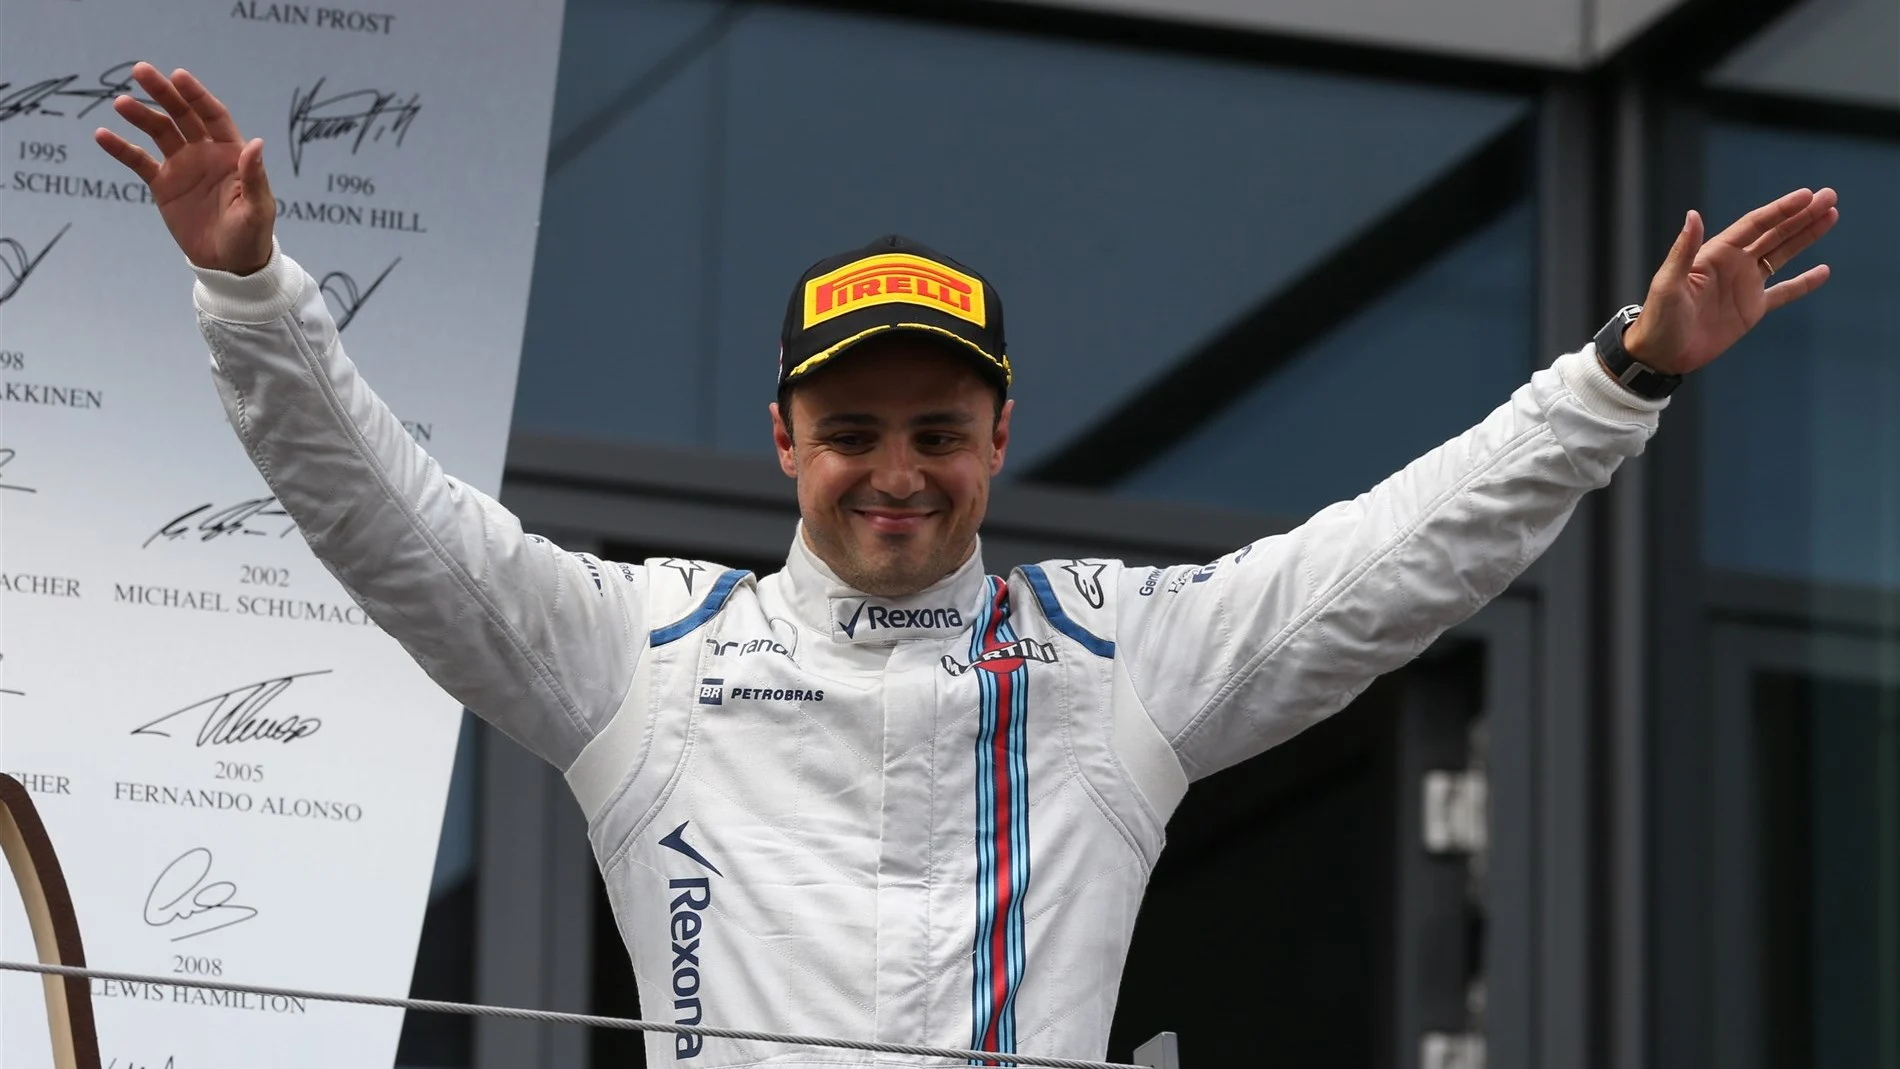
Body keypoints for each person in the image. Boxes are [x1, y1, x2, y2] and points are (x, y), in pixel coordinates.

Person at [98, 62, 1836, 1067]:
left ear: (1001, 441)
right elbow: (393, 523)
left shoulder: (1111, 656)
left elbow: (1392, 562)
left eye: (939, 430)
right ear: (783, 442)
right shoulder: (645, 653)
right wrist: (255, 298)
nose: (896, 473)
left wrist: (1625, 373)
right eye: (853, 432)